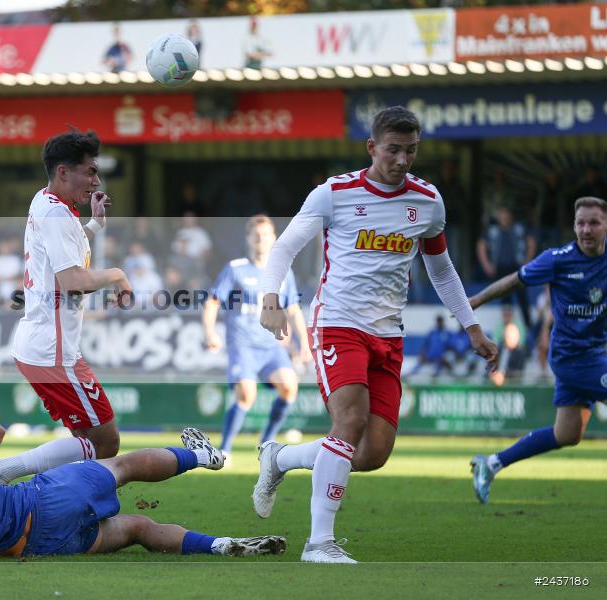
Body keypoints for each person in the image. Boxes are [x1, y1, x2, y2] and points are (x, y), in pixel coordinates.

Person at [253, 106, 499, 563]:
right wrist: (270, 300)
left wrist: (472, 326)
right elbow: (285, 246)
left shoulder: (427, 202)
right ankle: (319, 543)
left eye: (411, 150)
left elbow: (441, 270)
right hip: (338, 323)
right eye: (393, 150)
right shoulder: (335, 193)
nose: (402, 160)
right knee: (349, 423)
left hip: (389, 334)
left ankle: (280, 458)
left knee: (371, 452)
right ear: (372, 147)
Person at [0, 408, 285, 559]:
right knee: (124, 465)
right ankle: (205, 456)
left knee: (135, 529)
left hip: (38, 545)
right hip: (42, 502)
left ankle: (222, 545)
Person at [0, 129, 132, 486]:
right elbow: (73, 279)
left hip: (40, 347)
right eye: (90, 171)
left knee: (87, 440)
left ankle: (57, 499)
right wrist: (117, 275)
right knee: (106, 441)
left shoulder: (45, 201)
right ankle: (1, 473)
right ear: (63, 172)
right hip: (54, 353)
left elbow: (63, 249)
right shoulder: (58, 215)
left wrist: (94, 224)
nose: (96, 180)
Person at [469, 196, 607, 503]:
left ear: (605, 225)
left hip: (596, 354)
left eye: (594, 222)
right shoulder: (558, 259)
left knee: (567, 434)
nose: (586, 229)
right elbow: (514, 281)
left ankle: (490, 464)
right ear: (573, 225)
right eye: (581, 222)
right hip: (571, 358)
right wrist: (476, 301)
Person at [203, 215, 309, 463]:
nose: (261, 240)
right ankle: (224, 451)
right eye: (256, 235)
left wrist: (304, 344)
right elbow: (212, 301)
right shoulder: (235, 268)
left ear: (274, 239)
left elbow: (293, 310)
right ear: (249, 239)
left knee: (289, 386)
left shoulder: (283, 271)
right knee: (246, 395)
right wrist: (210, 332)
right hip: (243, 346)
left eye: (266, 235)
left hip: (271, 347)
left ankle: (266, 443)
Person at [476, 205, 536, 328]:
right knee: (505, 299)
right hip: (500, 269)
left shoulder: (518, 228)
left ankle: (529, 328)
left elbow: (531, 241)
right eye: (501, 215)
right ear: (498, 216)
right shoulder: (492, 231)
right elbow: (481, 245)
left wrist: (528, 261)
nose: (504, 217)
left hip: (517, 268)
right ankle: (507, 330)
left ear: (510, 216)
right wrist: (486, 264)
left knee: (522, 298)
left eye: (506, 214)